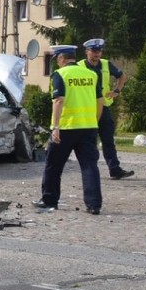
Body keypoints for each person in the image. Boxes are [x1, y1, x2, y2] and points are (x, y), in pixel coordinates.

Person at [33, 45, 104, 215]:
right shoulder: (91, 74)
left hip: (66, 127)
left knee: (53, 165)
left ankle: (49, 200)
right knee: (89, 166)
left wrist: (55, 127)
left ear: (61, 59)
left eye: (57, 59)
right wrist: (95, 121)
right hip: (88, 127)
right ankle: (94, 205)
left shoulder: (60, 74)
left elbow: (59, 100)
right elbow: (100, 100)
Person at [78, 38, 134, 179]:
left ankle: (115, 170)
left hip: (104, 108)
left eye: (99, 51)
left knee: (108, 140)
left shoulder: (105, 64)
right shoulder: (79, 67)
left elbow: (122, 76)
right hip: (86, 109)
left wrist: (117, 91)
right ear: (87, 52)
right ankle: (89, 170)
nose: (97, 54)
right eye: (94, 51)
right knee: (87, 141)